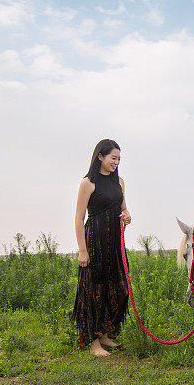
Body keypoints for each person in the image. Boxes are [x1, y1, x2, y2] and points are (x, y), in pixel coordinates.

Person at [71, 139, 132, 357]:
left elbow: (124, 209)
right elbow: (79, 218)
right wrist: (82, 249)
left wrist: (127, 216)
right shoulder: (88, 183)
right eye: (113, 158)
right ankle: (94, 341)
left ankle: (106, 332)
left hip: (115, 242)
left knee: (119, 287)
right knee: (94, 289)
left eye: (118, 159)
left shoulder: (120, 182)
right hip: (95, 240)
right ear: (100, 157)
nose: (116, 162)